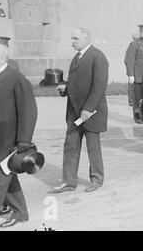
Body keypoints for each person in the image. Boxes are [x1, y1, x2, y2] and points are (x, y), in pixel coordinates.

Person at [0, 43, 37, 230]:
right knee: (8, 176)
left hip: (8, 143)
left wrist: (24, 141)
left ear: (0, 58)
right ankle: (21, 212)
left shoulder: (16, 79)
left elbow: (28, 111)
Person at [54, 28, 109, 193]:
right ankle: (69, 181)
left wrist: (87, 109)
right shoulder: (77, 57)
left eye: (76, 38)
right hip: (74, 113)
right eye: (72, 38)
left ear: (86, 38)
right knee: (70, 146)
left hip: (90, 113)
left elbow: (99, 86)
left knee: (93, 148)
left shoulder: (97, 56)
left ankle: (97, 179)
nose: (73, 41)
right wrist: (65, 88)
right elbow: (77, 83)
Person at [125, 24, 143, 124]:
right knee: (137, 97)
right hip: (138, 75)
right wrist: (130, 74)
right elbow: (129, 60)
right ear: (140, 32)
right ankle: (137, 116)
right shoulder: (134, 44)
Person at [127, 33, 140, 107]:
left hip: (138, 70)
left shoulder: (140, 46)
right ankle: (131, 100)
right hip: (133, 70)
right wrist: (130, 73)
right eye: (135, 39)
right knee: (131, 86)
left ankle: (133, 100)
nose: (136, 40)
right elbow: (128, 59)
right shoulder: (132, 45)